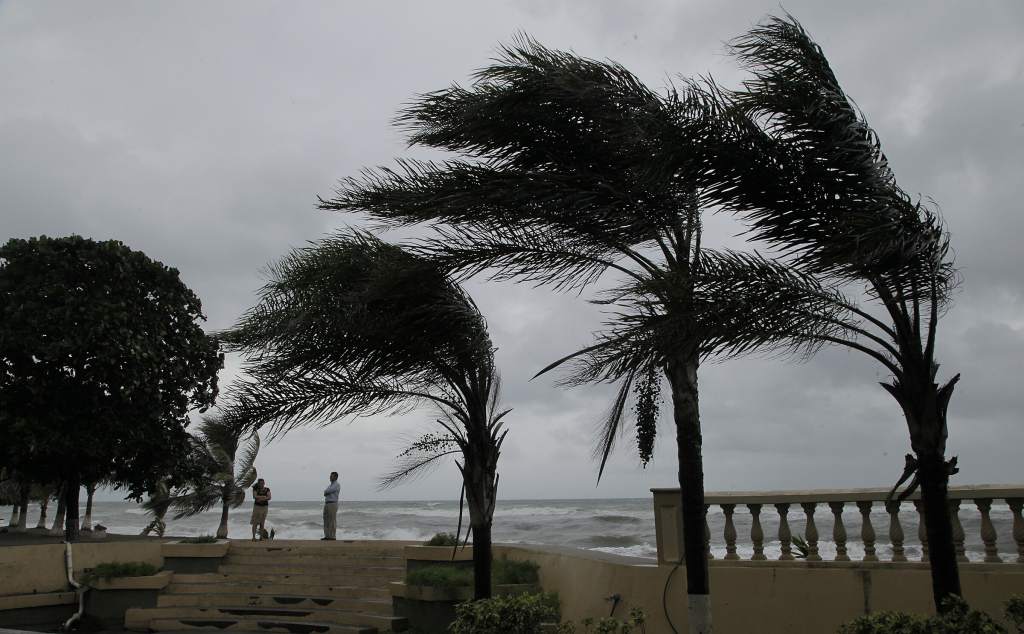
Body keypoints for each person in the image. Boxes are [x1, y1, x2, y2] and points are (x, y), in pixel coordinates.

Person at [322, 472, 340, 540]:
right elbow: (325, 492)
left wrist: (326, 492)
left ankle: (332, 536)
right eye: (330, 476)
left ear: (335, 477)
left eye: (331, 476)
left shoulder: (337, 484)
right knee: (326, 520)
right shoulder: (330, 485)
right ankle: (327, 536)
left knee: (332, 520)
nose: (330, 477)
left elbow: (328, 491)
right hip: (327, 503)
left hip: (332, 503)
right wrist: (326, 492)